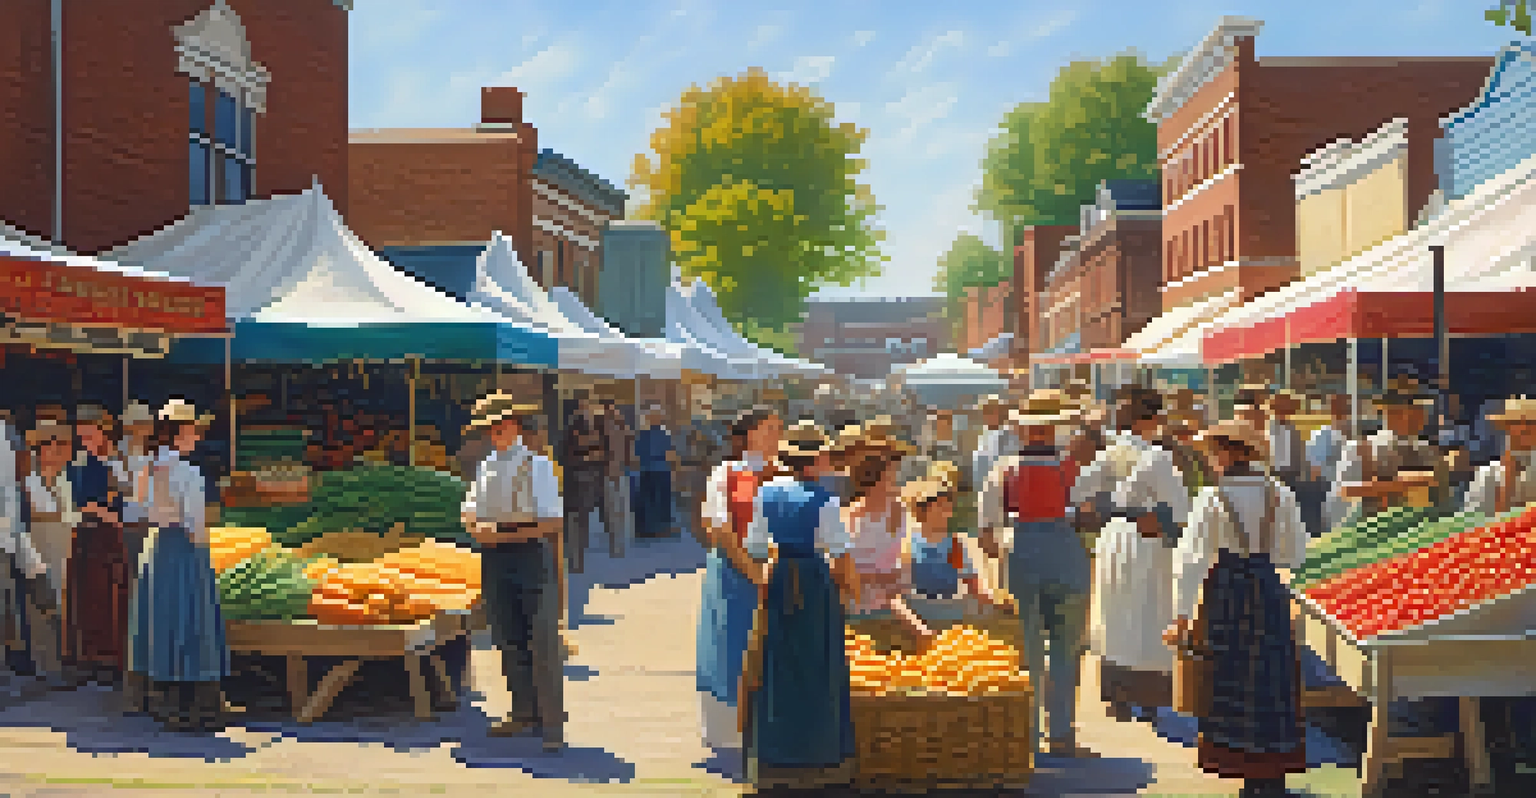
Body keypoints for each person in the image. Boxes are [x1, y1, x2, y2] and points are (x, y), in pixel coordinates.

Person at [1168, 420, 1308, 798]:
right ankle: (1272, 774)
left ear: (1232, 453)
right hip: (1268, 588)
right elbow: (1294, 553)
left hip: (1227, 590)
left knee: (1231, 674)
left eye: (1217, 451)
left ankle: (1246, 771)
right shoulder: (1280, 493)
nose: (1213, 459)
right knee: (1269, 679)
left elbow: (1191, 560)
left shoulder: (1212, 498)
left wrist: (1181, 616)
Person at [740, 421, 857, 790]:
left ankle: (777, 754)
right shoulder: (825, 500)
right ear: (811, 462)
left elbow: (755, 546)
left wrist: (768, 573)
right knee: (819, 665)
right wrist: (847, 591)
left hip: (778, 578)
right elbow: (839, 553)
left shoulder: (766, 493)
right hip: (813, 581)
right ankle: (817, 755)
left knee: (778, 665)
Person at [979, 390, 1093, 757]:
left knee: (1025, 648)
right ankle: (1060, 733)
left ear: (1024, 431)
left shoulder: (1003, 470)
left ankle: (1026, 733)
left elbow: (987, 537)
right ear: (1055, 428)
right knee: (1064, 648)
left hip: (1022, 555)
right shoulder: (1074, 468)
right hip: (1066, 555)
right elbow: (1088, 513)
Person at [1074, 386, 1189, 724]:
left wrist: (1105, 508)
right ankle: (1150, 699)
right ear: (1153, 421)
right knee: (1149, 615)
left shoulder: (1109, 454)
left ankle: (1116, 697)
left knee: (1114, 615)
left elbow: (1080, 492)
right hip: (1146, 541)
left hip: (1112, 540)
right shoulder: (1158, 458)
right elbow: (1180, 509)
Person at [460, 393, 566, 751]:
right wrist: (477, 530)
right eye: (490, 428)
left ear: (517, 426)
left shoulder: (537, 465)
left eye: (501, 426)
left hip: (529, 553)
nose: (495, 433)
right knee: (506, 634)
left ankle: (552, 724)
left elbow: (552, 522)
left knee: (542, 639)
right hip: (494, 555)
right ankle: (522, 711)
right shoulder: (485, 465)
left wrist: (510, 533)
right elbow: (469, 509)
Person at [126, 399, 228, 731]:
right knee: (191, 619)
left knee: (161, 618)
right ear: (182, 432)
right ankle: (195, 704)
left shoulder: (146, 468)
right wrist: (204, 543)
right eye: (194, 431)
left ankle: (161, 698)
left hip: (156, 547)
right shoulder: (187, 471)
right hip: (185, 548)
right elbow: (195, 523)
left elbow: (135, 511)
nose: (197, 437)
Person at [696, 406, 781, 755]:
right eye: (769, 428)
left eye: (778, 428)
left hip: (775, 567)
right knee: (730, 644)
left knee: (774, 648)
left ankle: (771, 724)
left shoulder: (785, 473)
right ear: (749, 435)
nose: (776, 435)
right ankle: (728, 731)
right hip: (734, 570)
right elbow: (717, 527)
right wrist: (751, 570)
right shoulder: (727, 473)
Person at [894, 460, 1000, 639]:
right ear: (923, 511)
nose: (946, 512)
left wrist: (994, 601)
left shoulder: (954, 544)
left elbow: (971, 581)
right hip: (920, 614)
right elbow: (901, 587)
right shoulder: (908, 544)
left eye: (948, 507)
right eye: (940, 507)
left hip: (951, 614)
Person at [66, 405, 129, 686]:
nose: (87, 439)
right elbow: (82, 502)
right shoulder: (80, 464)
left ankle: (117, 657)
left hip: (119, 534)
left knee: (118, 595)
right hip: (92, 534)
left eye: (91, 432)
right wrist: (107, 514)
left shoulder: (119, 460)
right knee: (93, 597)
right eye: (83, 433)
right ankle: (95, 659)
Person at [23, 410, 76, 688]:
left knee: (61, 604)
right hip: (40, 542)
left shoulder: (64, 480)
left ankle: (59, 663)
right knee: (41, 603)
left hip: (63, 542)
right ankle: (46, 666)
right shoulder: (30, 482)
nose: (53, 450)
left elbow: (69, 516)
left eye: (57, 444)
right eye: (47, 444)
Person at [842, 429, 915, 617]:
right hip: (856, 604)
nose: (894, 471)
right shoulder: (848, 514)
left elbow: (902, 558)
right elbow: (842, 568)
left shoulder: (898, 510)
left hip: (890, 603)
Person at [1464, 396, 1536, 516]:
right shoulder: (1488, 474)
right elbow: (1475, 520)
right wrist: (1508, 477)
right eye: (1517, 423)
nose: (1524, 429)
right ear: (1507, 427)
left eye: (1531, 423)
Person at [561, 396, 606, 574]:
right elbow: (570, 454)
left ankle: (576, 560)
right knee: (575, 522)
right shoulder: (575, 426)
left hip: (586, 479)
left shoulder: (594, 425)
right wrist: (588, 456)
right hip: (576, 479)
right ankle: (574, 561)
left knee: (580, 521)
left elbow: (602, 451)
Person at [1309, 394, 1353, 533]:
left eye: (1345, 407)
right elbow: (1315, 468)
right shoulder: (1321, 435)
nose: (1342, 411)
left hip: (1351, 488)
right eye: (1337, 407)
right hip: (1329, 488)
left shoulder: (1354, 433)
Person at [634, 406, 676, 539]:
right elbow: (670, 454)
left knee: (647, 500)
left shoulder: (642, 434)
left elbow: (637, 453)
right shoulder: (664, 434)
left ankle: (645, 529)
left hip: (647, 469)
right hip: (660, 469)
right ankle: (661, 528)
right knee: (661, 500)